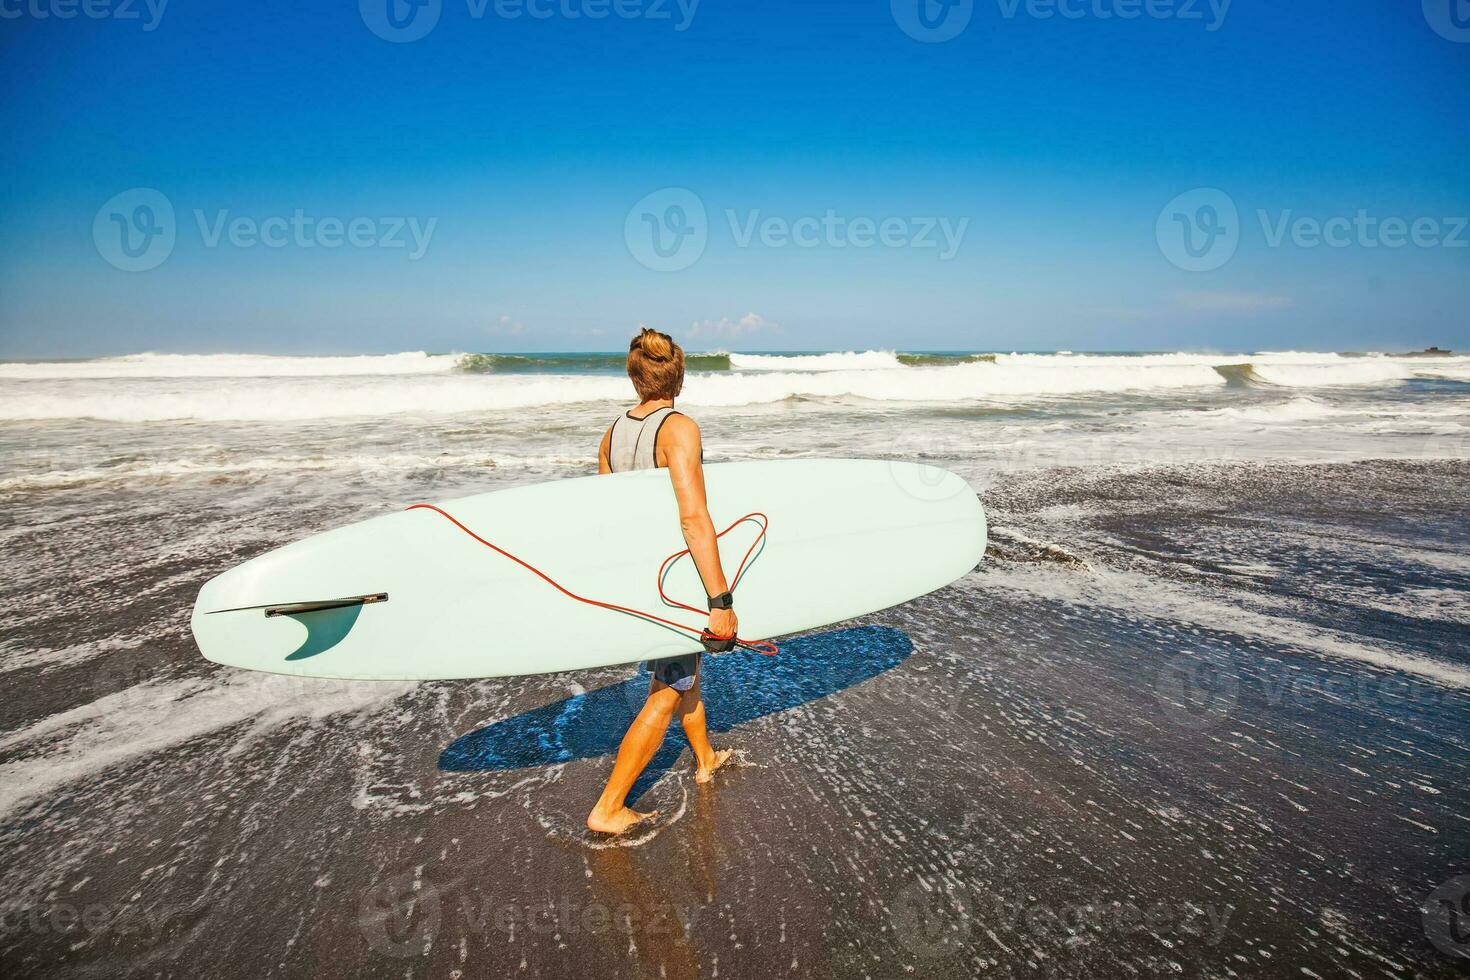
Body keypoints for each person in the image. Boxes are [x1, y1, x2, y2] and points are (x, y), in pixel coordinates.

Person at [586, 328, 736, 835]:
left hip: (643, 579)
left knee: (685, 669)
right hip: (678, 576)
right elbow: (694, 518)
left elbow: (611, 520)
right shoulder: (679, 429)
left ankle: (706, 758)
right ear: (680, 375)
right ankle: (609, 806)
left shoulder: (611, 435)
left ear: (635, 377)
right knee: (669, 686)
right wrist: (720, 599)